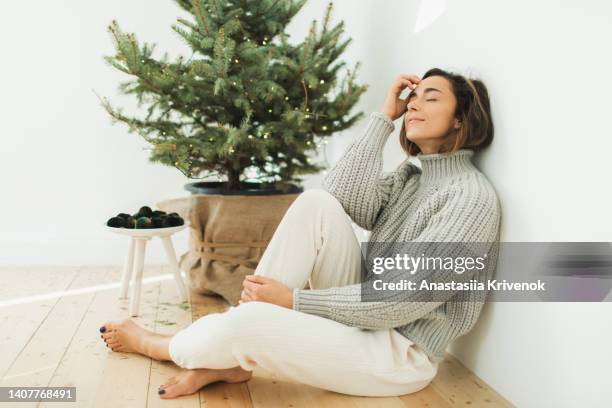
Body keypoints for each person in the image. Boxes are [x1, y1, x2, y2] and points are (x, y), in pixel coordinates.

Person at [99, 68, 502, 399]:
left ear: (461, 120)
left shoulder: (469, 198)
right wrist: (383, 118)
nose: (413, 104)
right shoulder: (410, 177)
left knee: (251, 323)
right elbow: (341, 193)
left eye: (430, 98)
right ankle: (230, 359)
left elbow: (402, 302)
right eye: (413, 97)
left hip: (398, 352)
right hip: (367, 318)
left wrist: (295, 301)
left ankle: (163, 345)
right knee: (316, 204)